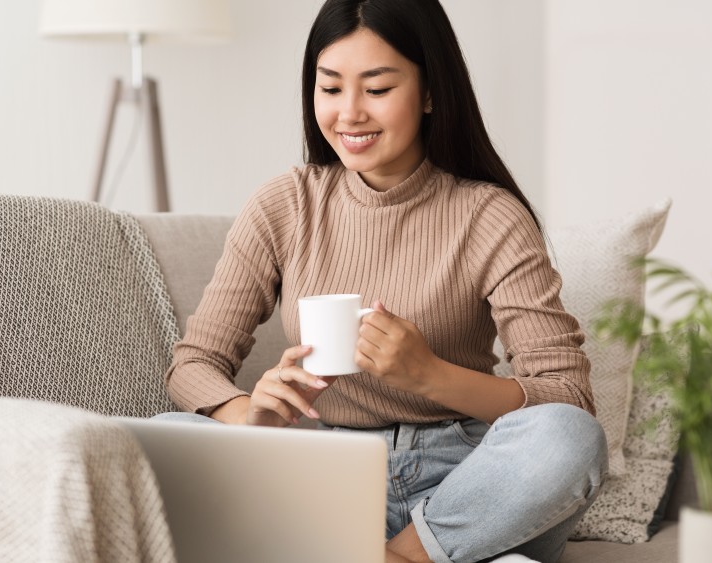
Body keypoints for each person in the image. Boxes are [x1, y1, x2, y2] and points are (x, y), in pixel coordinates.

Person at [163, 1, 607, 562]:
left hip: (467, 483)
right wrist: (251, 417)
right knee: (167, 433)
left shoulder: (489, 215)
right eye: (330, 88)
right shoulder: (284, 205)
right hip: (323, 472)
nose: (349, 113)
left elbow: (568, 397)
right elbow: (193, 364)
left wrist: (430, 376)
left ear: (428, 92)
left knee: (568, 439)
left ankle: (396, 554)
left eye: (376, 89)